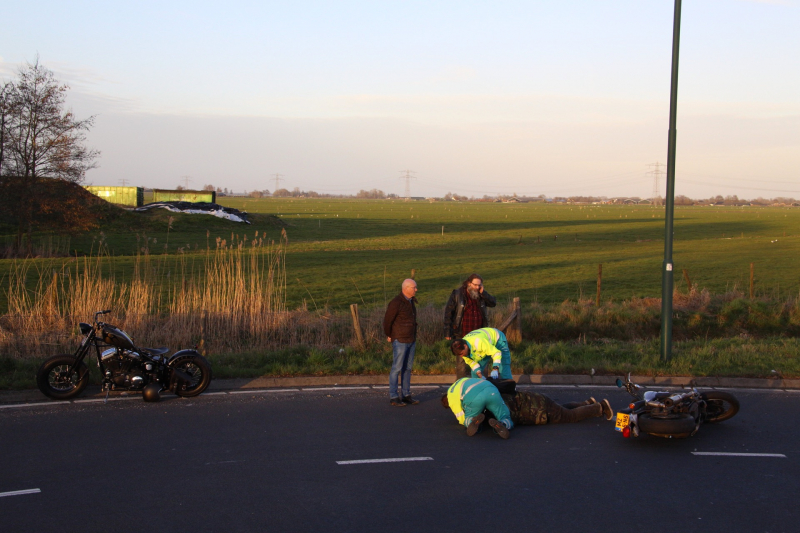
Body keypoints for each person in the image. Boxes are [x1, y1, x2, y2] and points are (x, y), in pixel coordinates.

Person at [441, 384, 614, 434]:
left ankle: (600, 407)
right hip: (535, 398)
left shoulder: (489, 408)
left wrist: (471, 420)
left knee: (569, 416)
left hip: (536, 411)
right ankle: (587, 402)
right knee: (561, 409)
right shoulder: (496, 397)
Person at [444, 274, 496, 378]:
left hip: (479, 335)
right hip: (462, 333)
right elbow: (449, 312)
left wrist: (483, 293)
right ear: (468, 283)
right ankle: (461, 386)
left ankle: (482, 384)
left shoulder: (481, 295)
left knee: (482, 361)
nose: (477, 287)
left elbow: (493, 303)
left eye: (479, 285)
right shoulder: (458, 294)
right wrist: (447, 331)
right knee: (462, 363)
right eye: (475, 285)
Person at [383, 278, 419, 407]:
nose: (416, 289)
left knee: (407, 368)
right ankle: (394, 396)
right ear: (406, 288)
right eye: (414, 287)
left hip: (411, 339)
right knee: (396, 368)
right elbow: (388, 320)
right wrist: (389, 334)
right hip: (400, 339)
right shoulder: (396, 302)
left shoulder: (410, 302)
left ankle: (406, 395)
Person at [442, 377, 514, 439]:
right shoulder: (461, 381)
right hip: (491, 389)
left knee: (468, 418)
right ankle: (503, 424)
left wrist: (465, 420)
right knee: (504, 415)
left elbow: (460, 416)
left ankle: (474, 422)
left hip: (475, 396)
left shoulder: (451, 395)